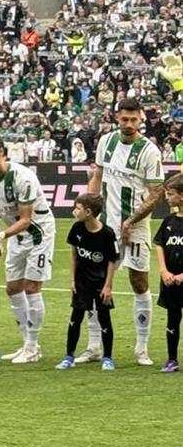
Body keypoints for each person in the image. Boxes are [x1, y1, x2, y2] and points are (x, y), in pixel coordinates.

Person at [83, 98, 164, 366]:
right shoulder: (106, 142)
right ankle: (94, 346)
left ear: (141, 119)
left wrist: (130, 222)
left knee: (138, 282)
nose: (129, 124)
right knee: (95, 283)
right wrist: (90, 212)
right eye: (124, 119)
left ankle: (141, 349)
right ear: (117, 118)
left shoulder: (149, 152)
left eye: (134, 119)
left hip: (136, 227)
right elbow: (97, 176)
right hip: (105, 225)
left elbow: (155, 195)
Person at [0, 133, 55, 364]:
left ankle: (32, 347)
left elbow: (26, 219)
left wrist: (0, 235)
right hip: (14, 234)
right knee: (12, 288)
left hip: (38, 233)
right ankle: (27, 344)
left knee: (31, 287)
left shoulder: (23, 177)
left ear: (1, 152)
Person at [56, 195, 120, 371]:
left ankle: (107, 357)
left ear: (88, 212)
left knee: (104, 318)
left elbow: (112, 261)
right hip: (81, 282)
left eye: (77, 208)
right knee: (75, 317)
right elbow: (74, 254)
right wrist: (72, 280)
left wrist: (108, 285)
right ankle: (69, 356)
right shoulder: (77, 228)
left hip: (100, 283)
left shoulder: (107, 234)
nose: (74, 211)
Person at [152, 173, 183, 374]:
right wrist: (164, 270)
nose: (167, 198)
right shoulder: (169, 221)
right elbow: (160, 245)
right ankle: (172, 359)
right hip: (170, 280)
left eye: (170, 194)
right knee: (173, 317)